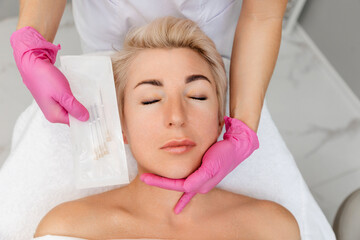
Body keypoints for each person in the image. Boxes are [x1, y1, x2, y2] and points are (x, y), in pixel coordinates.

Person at [33, 16, 300, 240]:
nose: (176, 117)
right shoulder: (69, 229)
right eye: (150, 99)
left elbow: (264, 13)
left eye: (197, 96)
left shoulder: (271, 227)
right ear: (120, 125)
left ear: (221, 119)